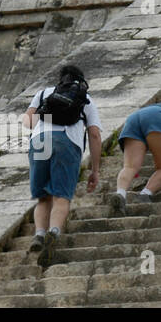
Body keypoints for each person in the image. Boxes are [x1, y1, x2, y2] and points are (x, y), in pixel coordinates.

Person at [23, 64, 103, 267]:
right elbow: (94, 134)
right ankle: (54, 232)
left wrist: (45, 124)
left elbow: (27, 121)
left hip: (40, 140)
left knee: (43, 196)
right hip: (67, 141)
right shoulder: (86, 99)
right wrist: (95, 170)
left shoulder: (43, 93)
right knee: (61, 196)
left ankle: (39, 235)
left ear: (61, 79)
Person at [111, 92, 161, 214]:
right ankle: (144, 194)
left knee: (130, 166)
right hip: (158, 119)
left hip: (133, 119)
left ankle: (120, 193)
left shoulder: (153, 107)